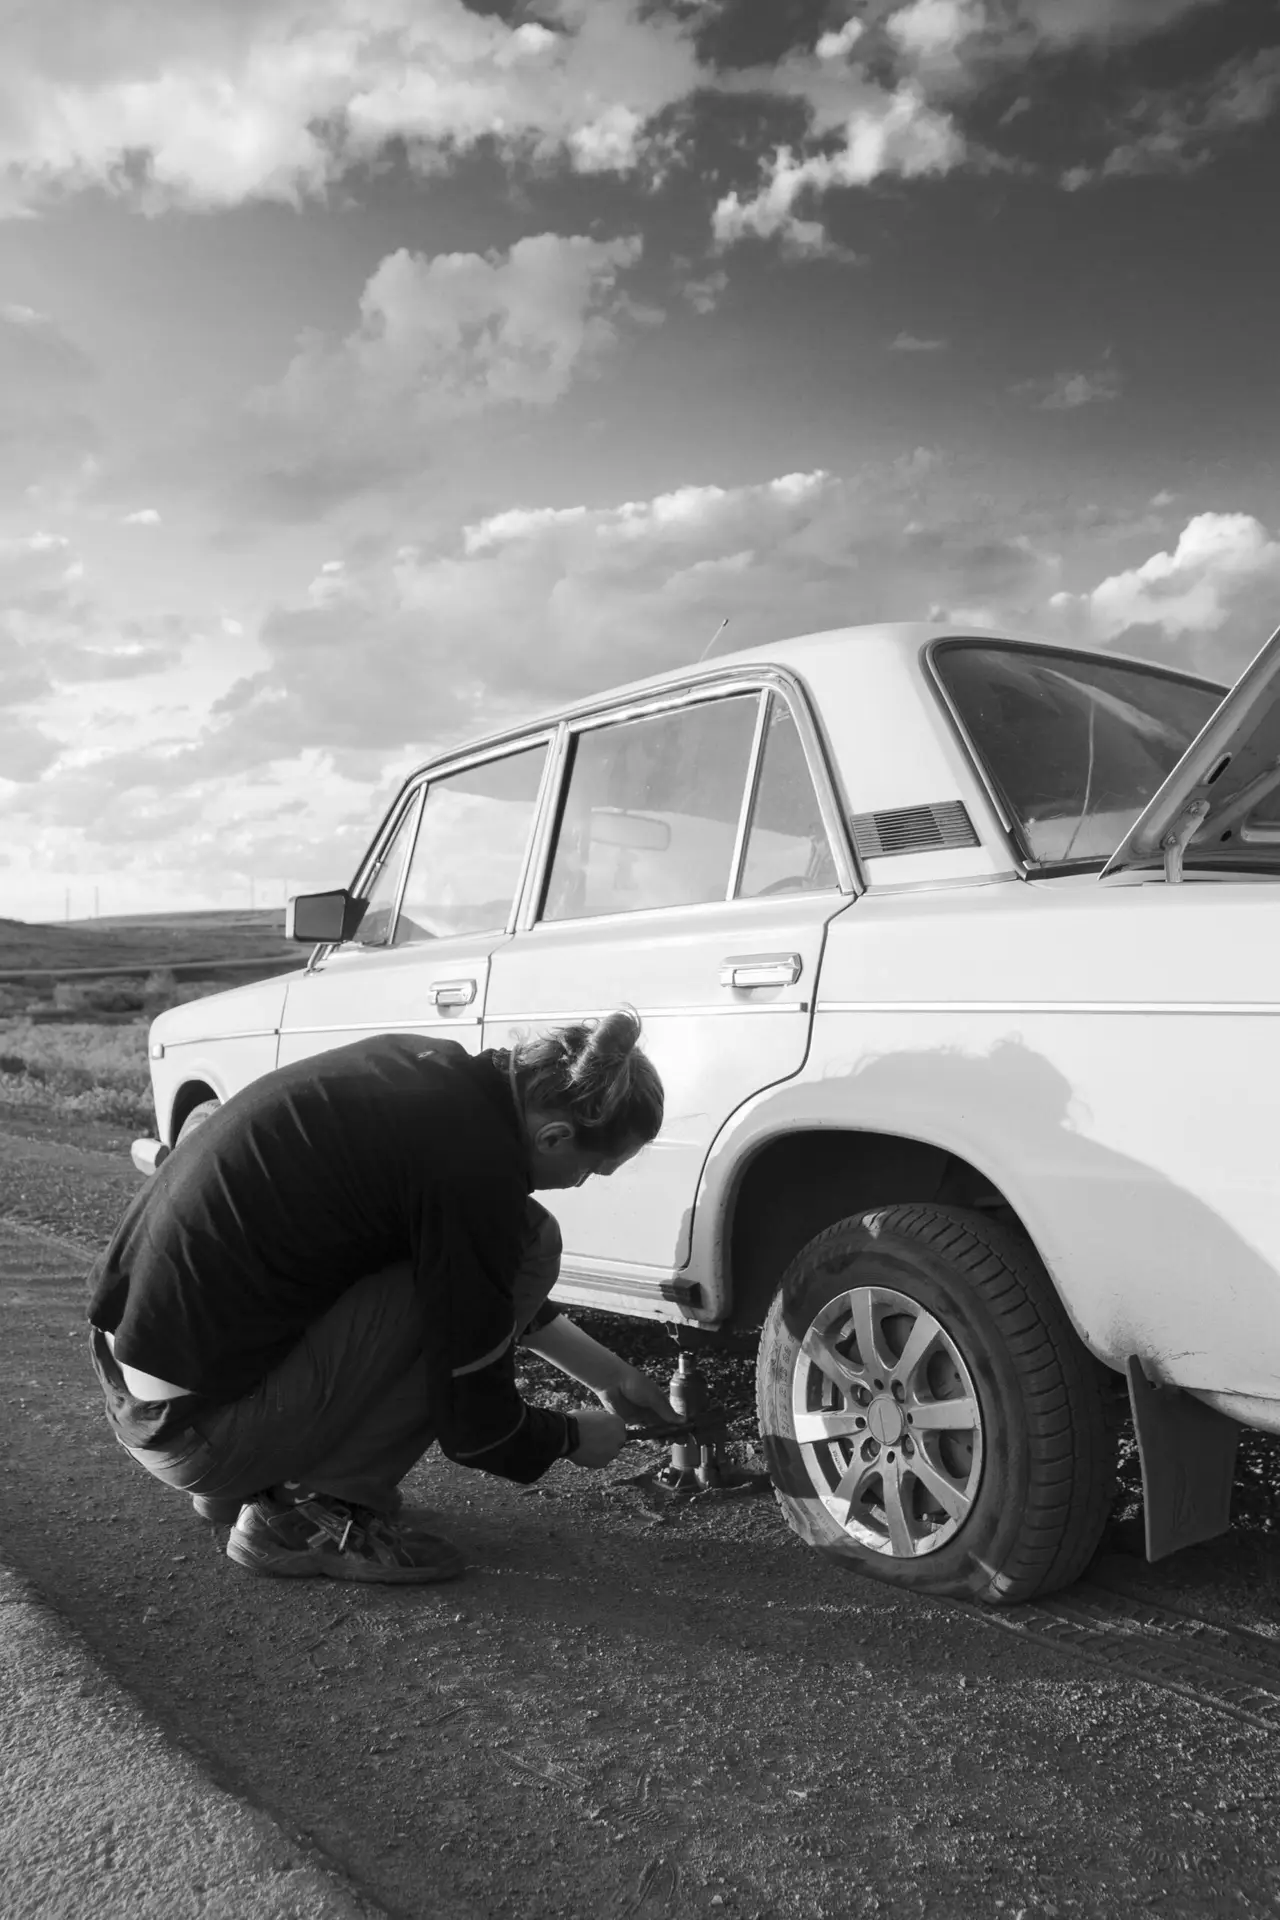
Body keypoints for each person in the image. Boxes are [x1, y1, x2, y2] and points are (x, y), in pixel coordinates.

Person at [86, 1009, 676, 1586]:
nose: (577, 1184)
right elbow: (476, 1425)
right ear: (555, 1135)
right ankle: (310, 1513)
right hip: (203, 1439)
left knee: (494, 1254)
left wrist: (606, 1374)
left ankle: (264, 1477)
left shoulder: (432, 1077)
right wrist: (569, 1437)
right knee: (529, 1242)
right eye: (590, 1170)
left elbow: (474, 1282)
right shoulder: (474, 1168)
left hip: (147, 1393)